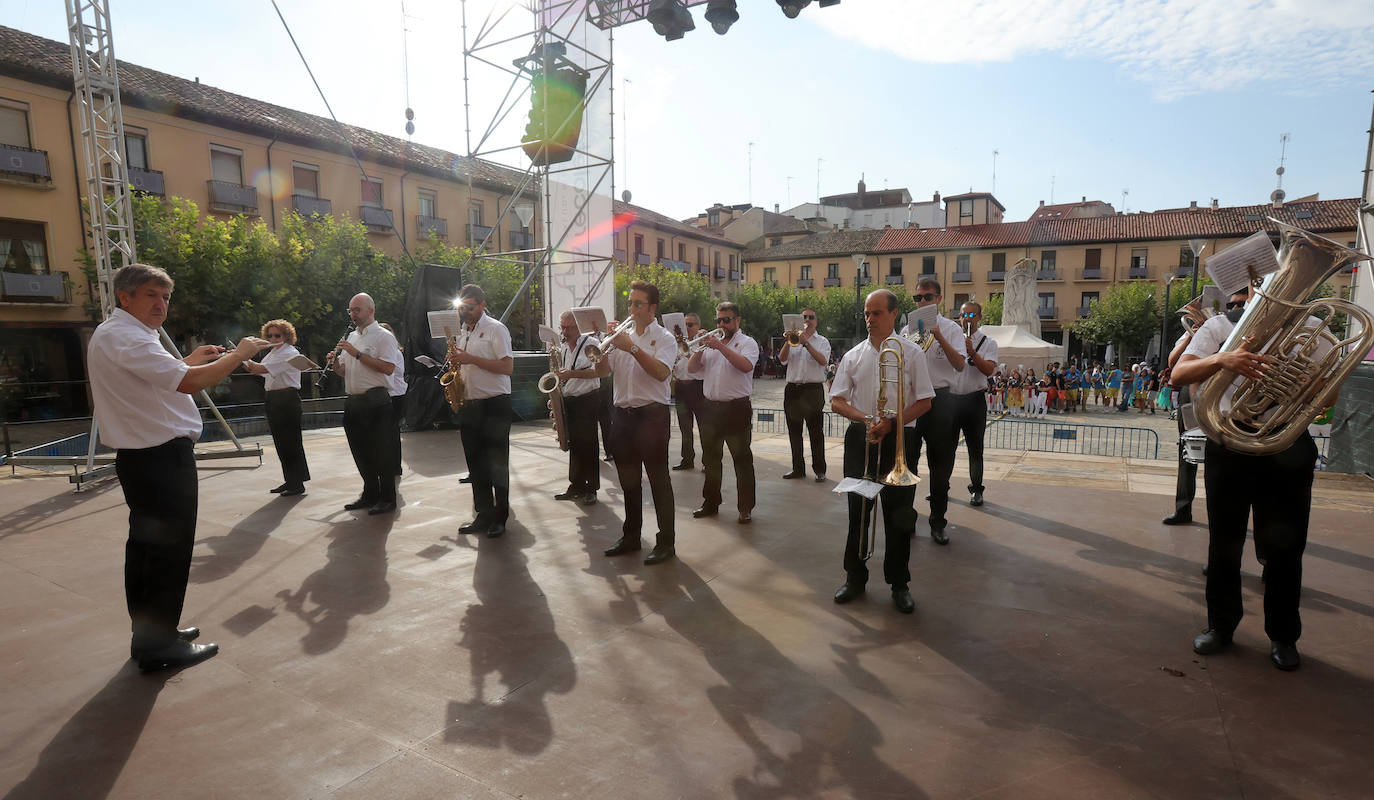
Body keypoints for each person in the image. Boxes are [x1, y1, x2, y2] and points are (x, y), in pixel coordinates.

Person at [88, 263, 271, 671]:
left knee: (148, 551)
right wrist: (240, 355)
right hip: (159, 459)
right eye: (151, 295)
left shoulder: (119, 334)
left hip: (145, 458)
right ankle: (158, 647)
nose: (161, 304)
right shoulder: (129, 337)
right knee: (167, 552)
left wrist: (187, 360)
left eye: (166, 296)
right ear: (126, 297)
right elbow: (187, 384)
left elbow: (155, 380)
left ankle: (154, 633)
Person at [1173, 286, 1315, 671]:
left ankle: (1284, 636)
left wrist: (1295, 379)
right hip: (1230, 440)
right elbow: (1178, 373)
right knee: (1224, 543)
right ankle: (1221, 626)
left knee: (1286, 549)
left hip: (1286, 441)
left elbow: (1328, 396)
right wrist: (1224, 359)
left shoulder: (1313, 326)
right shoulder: (1220, 326)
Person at [830, 289, 935, 614]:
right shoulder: (853, 355)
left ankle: (899, 583)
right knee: (857, 514)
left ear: (893, 315)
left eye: (876, 313)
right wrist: (865, 418)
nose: (870, 319)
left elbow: (925, 401)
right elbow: (836, 400)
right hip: (861, 437)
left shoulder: (911, 352)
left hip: (897, 439)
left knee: (898, 517)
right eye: (867, 313)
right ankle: (855, 577)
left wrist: (891, 423)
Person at [594, 281, 678, 564]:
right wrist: (601, 348)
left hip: (652, 416)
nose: (631, 309)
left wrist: (631, 348)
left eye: (637, 304)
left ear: (652, 308)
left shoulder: (665, 338)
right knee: (628, 481)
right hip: (623, 416)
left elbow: (661, 373)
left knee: (658, 481)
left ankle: (666, 542)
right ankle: (631, 536)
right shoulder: (621, 337)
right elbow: (604, 371)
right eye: (629, 303)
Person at [448, 284, 514, 537]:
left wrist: (471, 359)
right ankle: (483, 515)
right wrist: (456, 365)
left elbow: (507, 367)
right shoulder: (463, 332)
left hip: (494, 403)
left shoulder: (496, 329)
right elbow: (465, 365)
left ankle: (500, 517)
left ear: (483, 305)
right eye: (463, 307)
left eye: (471, 307)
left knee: (497, 463)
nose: (466, 312)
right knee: (475, 463)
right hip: (470, 403)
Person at [904, 279, 966, 544]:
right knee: (907, 461)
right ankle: (906, 518)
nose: (922, 302)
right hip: (913, 398)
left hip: (940, 399)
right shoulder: (907, 329)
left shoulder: (952, 329)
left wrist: (937, 334)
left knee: (940, 465)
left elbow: (960, 365)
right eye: (918, 298)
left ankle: (938, 521)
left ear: (939, 298)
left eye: (927, 297)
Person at [688, 301, 759, 524]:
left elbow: (746, 366)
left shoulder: (748, 343)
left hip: (736, 408)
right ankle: (710, 503)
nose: (721, 324)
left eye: (726, 320)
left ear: (737, 320)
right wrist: (700, 347)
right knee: (711, 459)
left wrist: (720, 347)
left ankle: (745, 507)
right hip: (710, 408)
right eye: (718, 320)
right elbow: (691, 369)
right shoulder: (709, 344)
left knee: (742, 460)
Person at [332, 292, 403, 516]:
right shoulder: (351, 337)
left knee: (381, 452)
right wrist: (334, 361)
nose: (353, 314)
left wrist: (357, 354)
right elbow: (343, 371)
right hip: (354, 401)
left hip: (376, 400)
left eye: (357, 310)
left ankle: (388, 499)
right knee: (360, 451)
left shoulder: (384, 337)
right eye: (350, 310)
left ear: (371, 311)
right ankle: (369, 493)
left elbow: (388, 368)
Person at [241, 319, 311, 496]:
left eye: (277, 335)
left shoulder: (289, 353)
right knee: (281, 442)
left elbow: (258, 369)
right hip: (274, 398)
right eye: (269, 335)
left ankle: (297, 483)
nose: (272, 338)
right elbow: (255, 369)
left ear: (286, 336)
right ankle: (291, 480)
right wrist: (236, 356)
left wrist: (238, 355)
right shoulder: (273, 353)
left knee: (291, 442)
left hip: (286, 398)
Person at [552, 310, 601, 506]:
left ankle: (592, 488)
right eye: (562, 327)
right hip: (570, 399)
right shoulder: (563, 348)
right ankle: (576, 485)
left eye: (568, 328)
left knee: (589, 444)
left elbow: (598, 372)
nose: (564, 331)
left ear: (578, 327)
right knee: (574, 445)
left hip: (587, 399)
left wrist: (571, 374)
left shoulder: (592, 344)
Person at [779, 306, 830, 482]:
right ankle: (797, 468)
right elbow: (782, 359)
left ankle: (820, 470)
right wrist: (789, 340)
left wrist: (806, 343)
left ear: (816, 321)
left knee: (816, 432)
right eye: (804, 317)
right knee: (794, 432)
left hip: (812, 390)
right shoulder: (792, 340)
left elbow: (823, 361)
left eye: (811, 317)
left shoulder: (822, 341)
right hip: (793, 389)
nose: (807, 320)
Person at [955, 302, 998, 506]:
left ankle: (976, 489)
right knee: (944, 448)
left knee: (975, 448)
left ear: (979, 317)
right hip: (951, 400)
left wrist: (972, 352)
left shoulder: (989, 343)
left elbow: (989, 370)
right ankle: (940, 488)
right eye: (963, 314)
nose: (967, 318)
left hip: (974, 400)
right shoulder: (952, 339)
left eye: (971, 314)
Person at [670, 312, 705, 471]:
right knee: (685, 427)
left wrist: (686, 348)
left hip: (698, 387)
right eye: (685, 325)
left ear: (698, 325)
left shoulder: (703, 342)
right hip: (681, 387)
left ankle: (707, 462)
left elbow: (701, 363)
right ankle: (687, 460)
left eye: (690, 325)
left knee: (704, 427)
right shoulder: (676, 343)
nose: (687, 328)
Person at [379, 321, 407, 478]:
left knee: (392, 433)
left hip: (395, 395)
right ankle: (392, 465)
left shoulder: (395, 353)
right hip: (391, 394)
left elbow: (390, 373)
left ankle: (395, 466)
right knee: (388, 433)